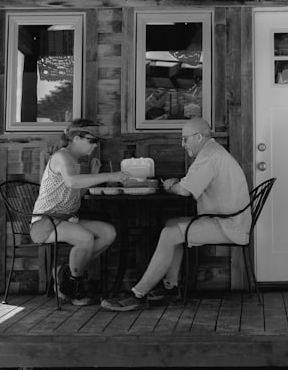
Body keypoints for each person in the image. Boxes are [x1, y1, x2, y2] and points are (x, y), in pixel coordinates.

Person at [101, 117, 251, 311]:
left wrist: (171, 186)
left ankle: (138, 294)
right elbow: (191, 183)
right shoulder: (213, 152)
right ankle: (171, 289)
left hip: (228, 225)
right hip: (226, 220)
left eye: (185, 139)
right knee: (172, 224)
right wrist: (178, 185)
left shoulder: (208, 156)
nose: (182, 144)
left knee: (170, 233)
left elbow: (184, 191)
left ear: (198, 137)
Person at [32, 118, 130, 305]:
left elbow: (77, 193)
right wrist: (110, 175)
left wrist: (93, 174)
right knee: (85, 238)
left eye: (97, 142)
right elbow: (72, 182)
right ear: (76, 138)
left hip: (66, 220)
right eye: (92, 141)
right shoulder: (62, 157)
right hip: (46, 221)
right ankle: (74, 286)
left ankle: (65, 273)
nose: (95, 146)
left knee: (108, 233)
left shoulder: (74, 161)